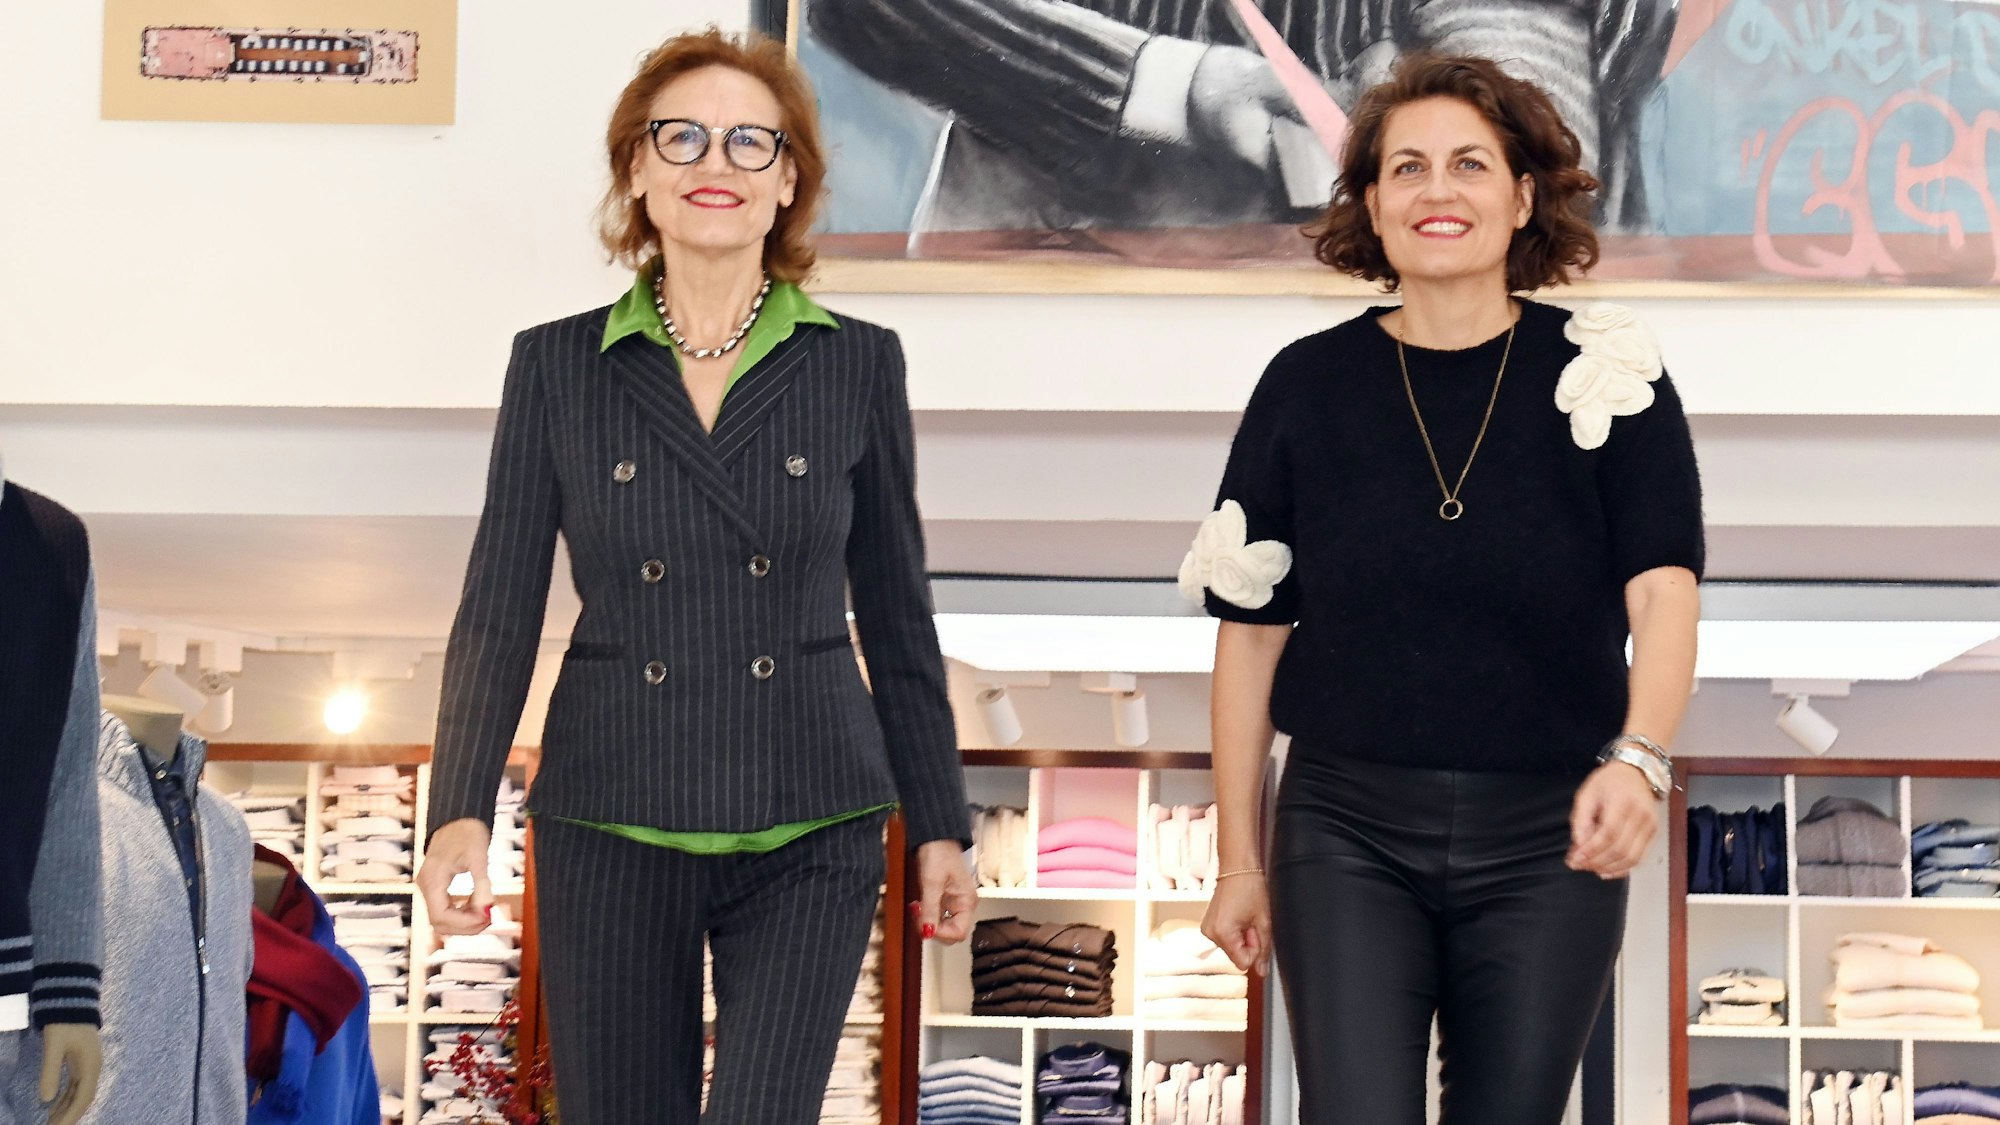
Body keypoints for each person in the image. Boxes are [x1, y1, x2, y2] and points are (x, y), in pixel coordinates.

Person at [414, 28, 976, 1125]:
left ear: (786, 183)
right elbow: (497, 604)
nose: (712, 163)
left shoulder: (855, 363)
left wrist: (940, 823)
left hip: (811, 809)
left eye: (747, 142)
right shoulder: (559, 364)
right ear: (636, 169)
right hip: (612, 806)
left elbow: (899, 616)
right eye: (681, 138)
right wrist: (457, 810)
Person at [1184, 54, 1703, 1123]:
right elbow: (1249, 635)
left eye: (1469, 164)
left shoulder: (1608, 372)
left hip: (1548, 834)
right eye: (1404, 167)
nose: (1435, 190)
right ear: (1369, 206)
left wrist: (1640, 759)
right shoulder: (1305, 385)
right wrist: (1238, 861)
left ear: (1521, 197)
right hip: (1344, 827)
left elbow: (1661, 590)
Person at [805, 0, 1671, 237]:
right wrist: (1174, 82)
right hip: (1048, 258)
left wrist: (1451, 116)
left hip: (1380, 287)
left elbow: (1528, 64)